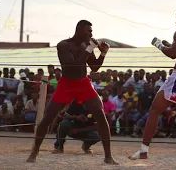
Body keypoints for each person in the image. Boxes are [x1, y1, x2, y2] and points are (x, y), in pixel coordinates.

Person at [26, 20, 118, 165]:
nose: (91, 34)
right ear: (80, 30)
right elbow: (73, 65)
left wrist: (103, 53)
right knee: (48, 118)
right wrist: (88, 50)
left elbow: (94, 67)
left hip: (83, 83)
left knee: (100, 115)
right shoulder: (63, 45)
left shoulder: (86, 45)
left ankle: (108, 156)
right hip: (66, 84)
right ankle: (34, 151)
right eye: (89, 31)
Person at [128, 7, 176, 168]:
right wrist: (169, 45)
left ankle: (144, 150)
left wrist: (158, 44)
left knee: (155, 110)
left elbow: (173, 54)